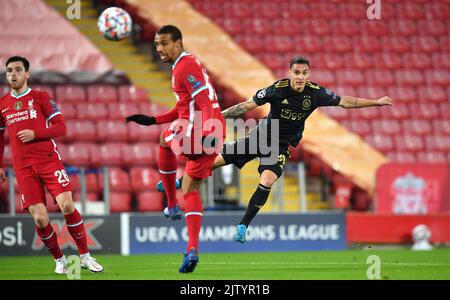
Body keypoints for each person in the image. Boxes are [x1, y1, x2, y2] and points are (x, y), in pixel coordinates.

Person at [158, 56, 394, 244]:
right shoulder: (276, 89)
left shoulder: (315, 93)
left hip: (280, 145)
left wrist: (376, 101)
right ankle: (177, 185)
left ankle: (242, 226)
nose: (300, 77)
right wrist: (219, 116)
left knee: (267, 179)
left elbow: (346, 102)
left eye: (304, 73)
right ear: (289, 73)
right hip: (261, 136)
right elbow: (245, 106)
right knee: (215, 162)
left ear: (308, 74)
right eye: (296, 73)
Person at [126, 25, 225, 273]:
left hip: (198, 130)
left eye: (164, 43)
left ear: (178, 43)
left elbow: (203, 100)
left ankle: (171, 203)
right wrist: (153, 119)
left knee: (163, 141)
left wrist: (205, 131)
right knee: (191, 190)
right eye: (157, 44)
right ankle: (192, 249)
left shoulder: (184, 66)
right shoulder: (186, 64)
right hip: (214, 131)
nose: (159, 49)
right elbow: (184, 106)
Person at [0, 56, 103, 274]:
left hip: (48, 160)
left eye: (18, 70)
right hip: (23, 167)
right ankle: (60, 260)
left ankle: (85, 256)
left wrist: (35, 134)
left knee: (66, 205)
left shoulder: (40, 97)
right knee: (39, 217)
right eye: (9, 71)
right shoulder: (2, 105)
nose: (13, 74)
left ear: (27, 74)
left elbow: (61, 128)